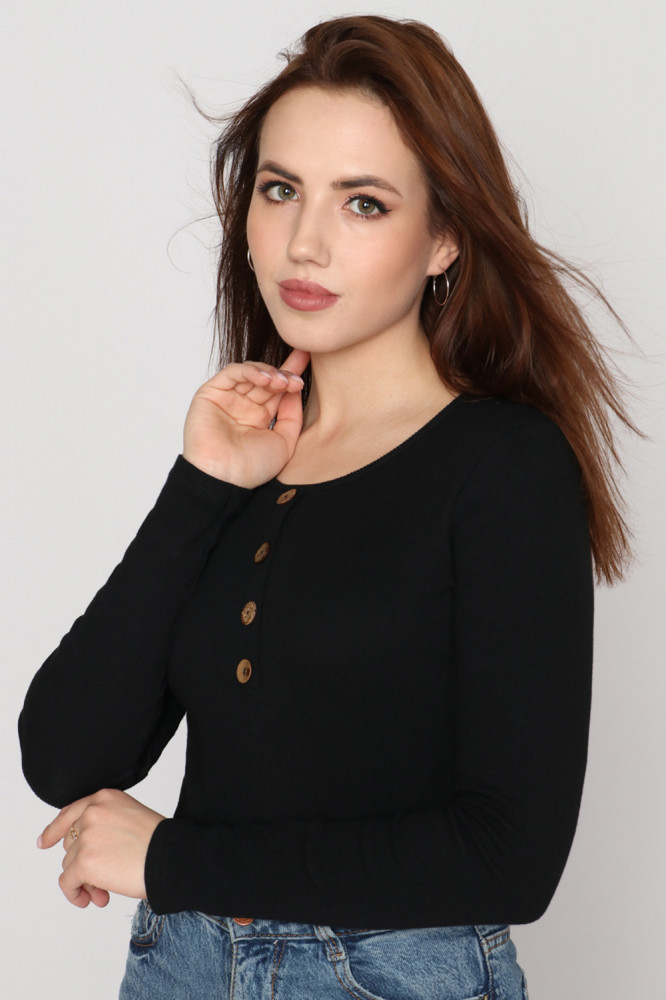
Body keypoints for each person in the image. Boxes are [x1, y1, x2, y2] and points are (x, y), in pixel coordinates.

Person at [19, 15, 633, 1000]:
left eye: (364, 203)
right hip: (178, 970)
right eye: (280, 190)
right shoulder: (246, 455)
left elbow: (509, 858)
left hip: (384, 980)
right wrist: (202, 483)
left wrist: (174, 859)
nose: (305, 242)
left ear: (443, 239)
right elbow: (65, 755)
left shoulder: (504, 465)